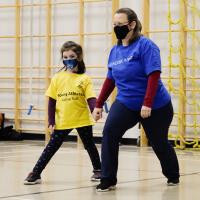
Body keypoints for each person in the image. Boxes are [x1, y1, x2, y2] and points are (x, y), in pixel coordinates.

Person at [93, 8, 180, 192]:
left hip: (156, 105)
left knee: (158, 142)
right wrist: (99, 104)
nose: (117, 28)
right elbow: (110, 80)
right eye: (114, 25)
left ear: (132, 25)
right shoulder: (115, 51)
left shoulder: (146, 45)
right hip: (126, 102)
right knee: (109, 133)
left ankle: (173, 174)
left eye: (120, 25)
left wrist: (147, 102)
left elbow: (153, 75)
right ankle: (108, 179)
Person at [24, 41, 101, 185]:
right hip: (63, 120)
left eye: (71, 56)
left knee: (89, 145)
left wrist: (94, 110)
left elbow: (91, 98)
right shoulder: (57, 78)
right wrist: (51, 121)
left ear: (79, 56)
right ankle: (36, 173)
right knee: (51, 147)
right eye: (65, 57)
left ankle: (98, 169)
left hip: (82, 119)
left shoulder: (84, 78)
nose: (68, 59)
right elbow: (51, 100)